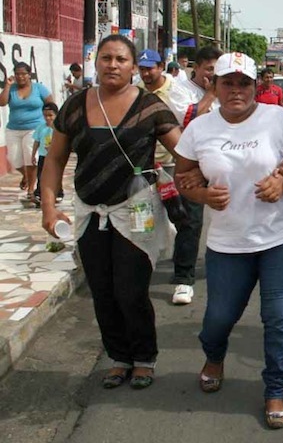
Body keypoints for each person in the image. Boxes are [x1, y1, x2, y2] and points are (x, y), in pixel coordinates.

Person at [175, 52, 283, 430]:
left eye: (244, 83)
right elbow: (183, 176)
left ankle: (276, 389)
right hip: (228, 241)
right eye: (228, 83)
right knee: (219, 318)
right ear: (214, 85)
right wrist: (202, 195)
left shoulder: (278, 119)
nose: (236, 90)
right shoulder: (199, 128)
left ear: (256, 86)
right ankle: (214, 355)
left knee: (279, 317)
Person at [40, 34, 182, 389]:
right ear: (96, 62)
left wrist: (205, 184)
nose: (113, 65)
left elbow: (185, 153)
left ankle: (144, 358)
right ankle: (119, 358)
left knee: (131, 290)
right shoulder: (75, 106)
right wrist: (49, 208)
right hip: (89, 211)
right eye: (106, 58)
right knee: (102, 290)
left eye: (121, 59)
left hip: (135, 210)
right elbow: (55, 159)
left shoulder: (150, 107)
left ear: (133, 67)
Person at [169, 46, 223, 305]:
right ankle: (183, 278)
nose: (213, 74)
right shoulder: (180, 90)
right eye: (209, 69)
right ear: (197, 68)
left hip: (222, 162)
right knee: (191, 222)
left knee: (227, 216)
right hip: (191, 165)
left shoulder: (225, 90)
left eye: (217, 70)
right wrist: (211, 94)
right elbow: (189, 119)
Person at [0, 62, 55, 201]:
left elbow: (50, 103)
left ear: (29, 74)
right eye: (17, 74)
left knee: (31, 158)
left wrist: (50, 122)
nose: (20, 77)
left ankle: (31, 189)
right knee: (14, 158)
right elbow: (2, 102)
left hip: (34, 128)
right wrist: (7, 85)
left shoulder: (38, 88)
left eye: (23, 74)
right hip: (13, 128)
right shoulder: (12, 89)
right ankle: (26, 175)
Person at [31, 103, 63, 205]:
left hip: (55, 156)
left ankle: (58, 193)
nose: (48, 118)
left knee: (56, 174)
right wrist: (33, 154)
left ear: (56, 115)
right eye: (45, 115)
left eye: (50, 115)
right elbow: (36, 141)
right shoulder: (40, 128)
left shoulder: (59, 128)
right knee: (41, 175)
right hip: (43, 156)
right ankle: (39, 193)